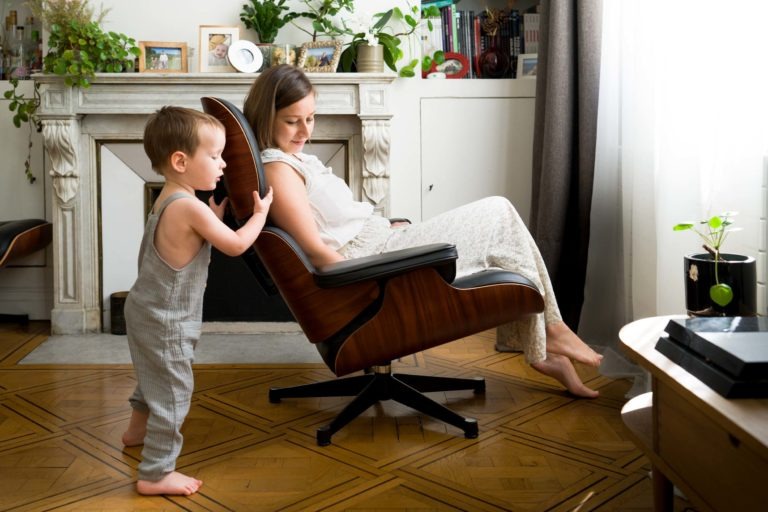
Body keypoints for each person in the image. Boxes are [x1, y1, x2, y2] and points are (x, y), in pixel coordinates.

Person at [242, 65, 603, 398]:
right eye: (292, 122)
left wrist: (383, 226)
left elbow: (335, 222)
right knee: (498, 213)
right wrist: (364, 288)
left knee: (501, 227)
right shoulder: (278, 170)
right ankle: (548, 337)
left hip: (382, 241)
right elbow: (317, 251)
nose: (306, 131)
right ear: (266, 117)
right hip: (370, 265)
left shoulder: (292, 159)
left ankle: (542, 342)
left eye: (311, 118)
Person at [121, 106, 273, 496]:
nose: (223, 164)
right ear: (180, 160)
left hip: (143, 310)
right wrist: (259, 214)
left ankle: (135, 431)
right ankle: (155, 473)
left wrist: (213, 214)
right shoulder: (189, 208)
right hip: (167, 319)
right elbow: (237, 244)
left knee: (152, 377)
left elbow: (190, 231)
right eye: (215, 155)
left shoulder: (171, 198)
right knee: (173, 393)